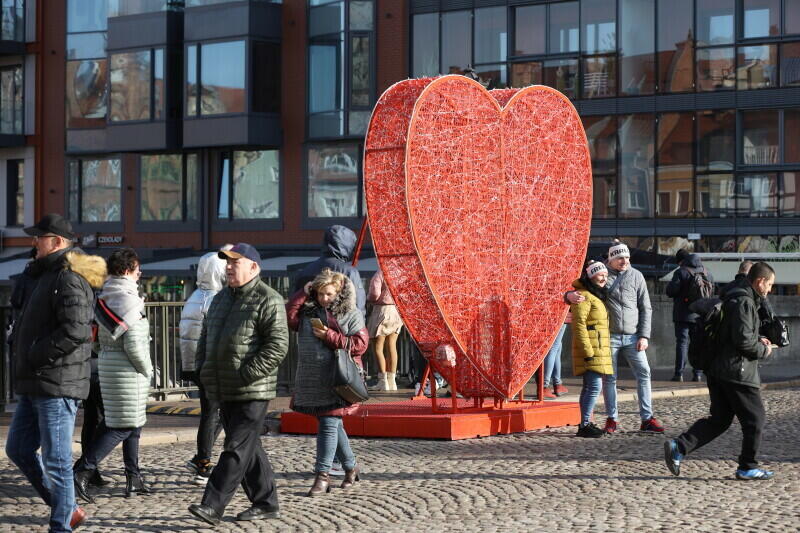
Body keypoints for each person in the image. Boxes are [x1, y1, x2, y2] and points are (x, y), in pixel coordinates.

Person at [5, 213, 106, 532]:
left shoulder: (69, 277)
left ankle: (61, 525)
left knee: (57, 459)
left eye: (40, 237)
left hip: (58, 381)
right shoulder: (40, 275)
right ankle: (67, 508)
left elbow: (77, 330)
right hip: (37, 381)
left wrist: (36, 353)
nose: (33, 242)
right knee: (18, 448)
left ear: (58, 242)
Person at [188, 243, 289, 526]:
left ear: (253, 267)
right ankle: (266, 503)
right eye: (227, 262)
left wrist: (247, 374)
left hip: (252, 389)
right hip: (223, 388)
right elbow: (206, 340)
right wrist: (203, 371)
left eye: (236, 262)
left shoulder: (269, 299)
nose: (229, 267)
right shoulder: (220, 299)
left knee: (234, 448)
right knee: (248, 448)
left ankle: (212, 505)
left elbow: (278, 346)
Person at [665, 262, 777, 481]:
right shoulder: (745, 301)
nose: (770, 290)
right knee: (756, 420)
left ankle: (679, 446)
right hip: (737, 371)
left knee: (719, 420)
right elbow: (743, 341)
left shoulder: (731, 296)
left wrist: (757, 338)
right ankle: (747, 466)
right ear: (760, 281)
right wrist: (764, 349)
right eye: (770, 284)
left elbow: (735, 334)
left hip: (719, 369)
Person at [74, 248, 154, 503]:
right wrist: (147, 370)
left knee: (133, 424)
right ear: (127, 270)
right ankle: (81, 471)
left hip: (109, 366)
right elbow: (134, 345)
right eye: (137, 268)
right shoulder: (129, 300)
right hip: (128, 372)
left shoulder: (105, 297)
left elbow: (96, 341)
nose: (140, 273)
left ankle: (134, 477)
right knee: (121, 426)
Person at [566, 240, 664, 434]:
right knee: (609, 379)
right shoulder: (601, 274)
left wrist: (644, 335)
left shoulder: (637, 276)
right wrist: (568, 295)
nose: (624, 261)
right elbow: (581, 289)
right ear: (611, 259)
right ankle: (612, 419)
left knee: (644, 373)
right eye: (620, 257)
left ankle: (647, 419)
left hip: (633, 336)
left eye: (627, 257)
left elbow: (646, 307)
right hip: (607, 337)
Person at [286, 269, 369, 496]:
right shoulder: (307, 312)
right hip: (314, 377)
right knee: (332, 423)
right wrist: (302, 293)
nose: (324, 299)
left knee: (328, 424)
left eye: (329, 294)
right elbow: (290, 316)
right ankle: (351, 467)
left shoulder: (351, 313)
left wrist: (329, 337)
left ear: (339, 291)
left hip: (338, 378)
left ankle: (322, 476)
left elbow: (360, 345)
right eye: (320, 294)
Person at [179, 250, 229, 484]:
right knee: (215, 413)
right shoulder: (217, 299)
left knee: (213, 412)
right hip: (211, 366)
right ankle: (203, 463)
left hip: (196, 364)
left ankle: (201, 457)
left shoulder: (195, 296)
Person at [570, 261, 613, 437]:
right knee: (593, 386)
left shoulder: (595, 295)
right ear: (591, 276)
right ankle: (585, 424)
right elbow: (579, 324)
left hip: (598, 348)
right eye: (600, 275)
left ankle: (586, 422)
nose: (604, 278)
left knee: (590, 386)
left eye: (605, 275)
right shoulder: (584, 296)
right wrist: (587, 351)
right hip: (591, 350)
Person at [294, 225, 366, 316]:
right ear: (348, 246)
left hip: (309, 324)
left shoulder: (305, 271)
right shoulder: (349, 272)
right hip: (340, 326)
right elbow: (359, 305)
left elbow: (295, 302)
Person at [665, 250, 713, 382]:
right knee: (698, 344)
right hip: (701, 314)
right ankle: (697, 374)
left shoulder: (681, 272)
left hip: (682, 314)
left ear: (681, 261)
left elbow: (671, 290)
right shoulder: (707, 272)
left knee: (682, 343)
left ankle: (678, 374)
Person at [366, 269, 403, 391]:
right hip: (396, 311)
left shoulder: (380, 273)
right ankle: (392, 382)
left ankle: (383, 381)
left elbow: (374, 294)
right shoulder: (400, 273)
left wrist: (369, 299)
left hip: (382, 311)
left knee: (377, 346)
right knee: (392, 346)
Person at [541, 318, 569, 399]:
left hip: (555, 313)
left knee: (557, 346)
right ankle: (544, 386)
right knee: (554, 347)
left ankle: (557, 384)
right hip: (560, 313)